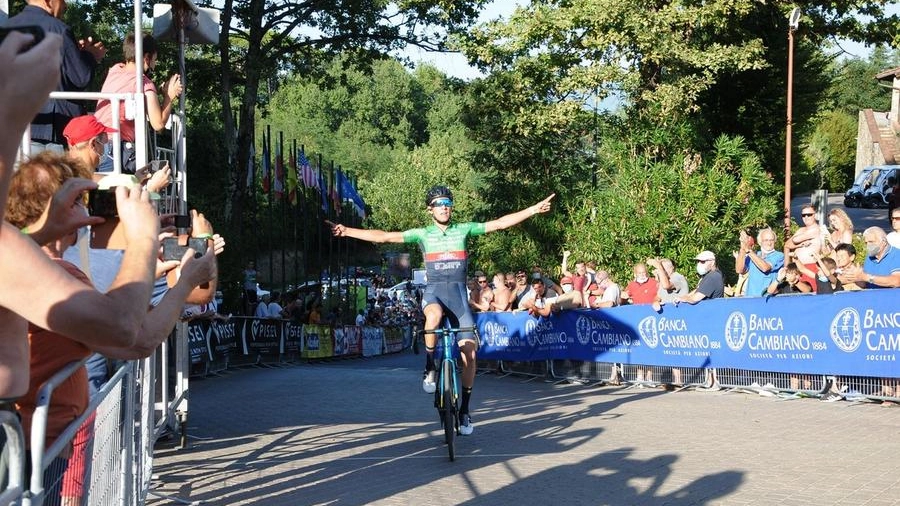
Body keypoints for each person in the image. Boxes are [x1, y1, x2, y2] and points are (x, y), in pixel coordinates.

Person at [5, 153, 215, 502]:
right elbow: (133, 336)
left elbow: (127, 331)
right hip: (34, 449)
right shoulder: (55, 270)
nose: (90, 211)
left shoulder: (32, 260)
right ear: (63, 205)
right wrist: (147, 244)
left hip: (39, 442)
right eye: (81, 200)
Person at [328, 186, 555, 435]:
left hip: (458, 297)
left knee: (470, 356)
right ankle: (429, 367)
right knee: (433, 316)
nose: (444, 206)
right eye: (438, 203)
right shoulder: (422, 234)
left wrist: (533, 209)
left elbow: (499, 223)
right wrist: (347, 231)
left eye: (447, 202)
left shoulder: (463, 229)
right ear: (430, 209)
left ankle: (465, 410)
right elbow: (384, 236)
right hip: (434, 292)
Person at [4, 0, 107, 153]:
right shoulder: (58, 29)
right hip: (56, 131)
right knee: (58, 177)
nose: (65, 5)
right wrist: (90, 55)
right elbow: (81, 77)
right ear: (48, 1)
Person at [94, 32, 183, 173]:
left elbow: (128, 87)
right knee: (151, 178)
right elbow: (158, 124)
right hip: (119, 149)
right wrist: (168, 96)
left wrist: (158, 90)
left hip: (98, 144)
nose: (155, 63)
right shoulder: (144, 83)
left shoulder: (115, 70)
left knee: (104, 192)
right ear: (147, 58)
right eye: (154, 59)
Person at [784, 205, 826, 291]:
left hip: (810, 267)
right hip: (796, 268)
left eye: (809, 214)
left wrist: (797, 242)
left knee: (811, 292)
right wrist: (800, 245)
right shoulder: (801, 230)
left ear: (815, 215)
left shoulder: (817, 230)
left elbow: (795, 239)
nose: (806, 217)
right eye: (803, 215)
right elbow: (787, 245)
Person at [735, 228, 784, 297]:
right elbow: (739, 270)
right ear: (760, 242)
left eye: (771, 240)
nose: (769, 243)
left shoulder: (779, 255)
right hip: (750, 297)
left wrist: (749, 250)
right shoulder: (754, 254)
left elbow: (765, 268)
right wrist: (743, 247)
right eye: (766, 240)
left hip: (767, 298)